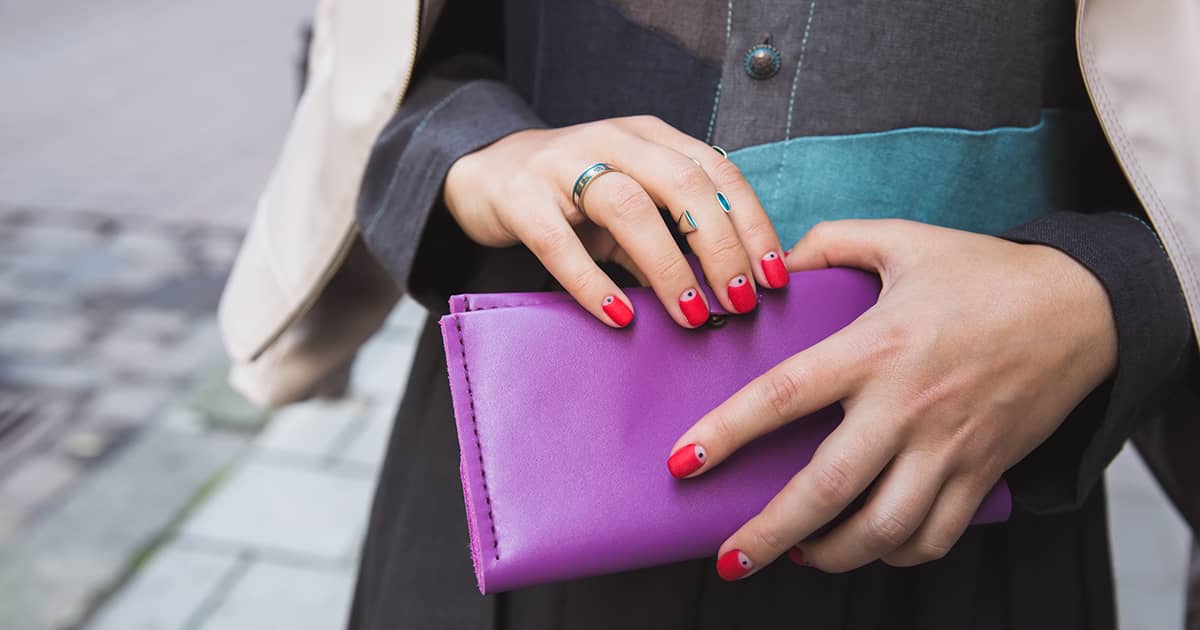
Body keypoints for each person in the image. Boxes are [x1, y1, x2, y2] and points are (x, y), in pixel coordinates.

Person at [219, 0, 1199, 628]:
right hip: (537, 465)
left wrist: (1113, 293)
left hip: (965, 505)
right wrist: (475, 152)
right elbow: (386, 47)